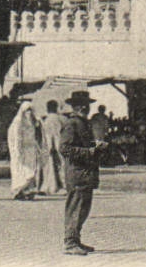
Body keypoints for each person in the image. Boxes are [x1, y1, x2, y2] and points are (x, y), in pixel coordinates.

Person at [58, 89, 107, 255]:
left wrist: (97, 147)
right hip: (77, 172)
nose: (86, 108)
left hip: (85, 172)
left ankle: (76, 239)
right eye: (83, 105)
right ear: (76, 107)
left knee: (84, 208)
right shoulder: (71, 124)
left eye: (87, 105)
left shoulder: (83, 123)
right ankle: (70, 242)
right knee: (76, 207)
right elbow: (64, 148)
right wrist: (89, 152)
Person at [7, 99, 41, 201]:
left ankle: (28, 190)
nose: (29, 113)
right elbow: (16, 137)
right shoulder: (18, 122)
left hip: (31, 150)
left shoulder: (33, 122)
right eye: (27, 110)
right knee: (22, 171)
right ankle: (20, 191)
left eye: (30, 110)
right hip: (21, 150)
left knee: (31, 171)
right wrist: (17, 151)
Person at [38, 99, 64, 194]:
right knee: (60, 165)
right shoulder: (61, 118)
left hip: (48, 145)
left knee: (49, 167)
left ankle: (49, 187)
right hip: (59, 144)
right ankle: (62, 186)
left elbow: (48, 135)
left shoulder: (46, 120)